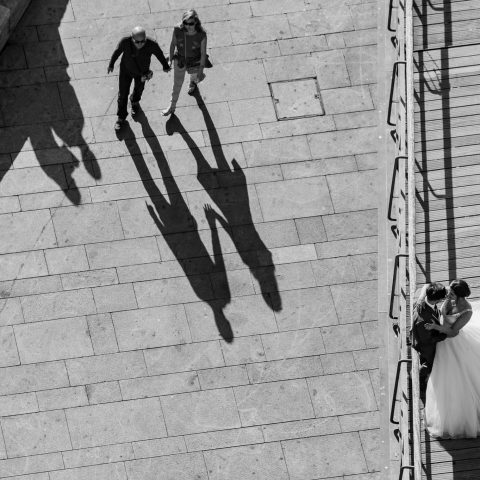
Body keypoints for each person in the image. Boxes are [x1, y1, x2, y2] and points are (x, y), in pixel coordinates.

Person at [424, 280, 480, 438]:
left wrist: (435, 327)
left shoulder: (466, 311)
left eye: (452, 293)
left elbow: (453, 332)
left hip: (452, 341)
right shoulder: (450, 299)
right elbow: (443, 311)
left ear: (460, 295)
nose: (448, 293)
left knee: (452, 377)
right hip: (443, 335)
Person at [108, 26, 170, 130]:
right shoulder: (125, 42)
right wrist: (111, 64)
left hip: (142, 72)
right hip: (125, 71)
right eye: (137, 42)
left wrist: (165, 66)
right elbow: (117, 52)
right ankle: (121, 117)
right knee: (123, 94)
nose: (140, 44)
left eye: (143, 41)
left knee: (139, 89)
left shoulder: (151, 44)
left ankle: (135, 102)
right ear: (132, 38)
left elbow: (159, 54)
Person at [162, 10, 208, 116]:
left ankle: (193, 82)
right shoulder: (178, 29)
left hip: (195, 61)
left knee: (194, 76)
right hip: (180, 60)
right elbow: (173, 44)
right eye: (185, 23)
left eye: (191, 23)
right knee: (177, 84)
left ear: (196, 22)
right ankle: (171, 107)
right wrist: (170, 59)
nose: (187, 26)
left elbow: (203, 53)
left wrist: (201, 71)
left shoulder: (202, 34)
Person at [410, 282, 449, 392]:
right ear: (438, 300)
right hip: (425, 345)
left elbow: (426, 285)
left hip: (423, 334)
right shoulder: (423, 321)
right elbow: (428, 341)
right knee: (430, 362)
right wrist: (445, 334)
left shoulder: (422, 297)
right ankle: (419, 376)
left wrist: (422, 296)